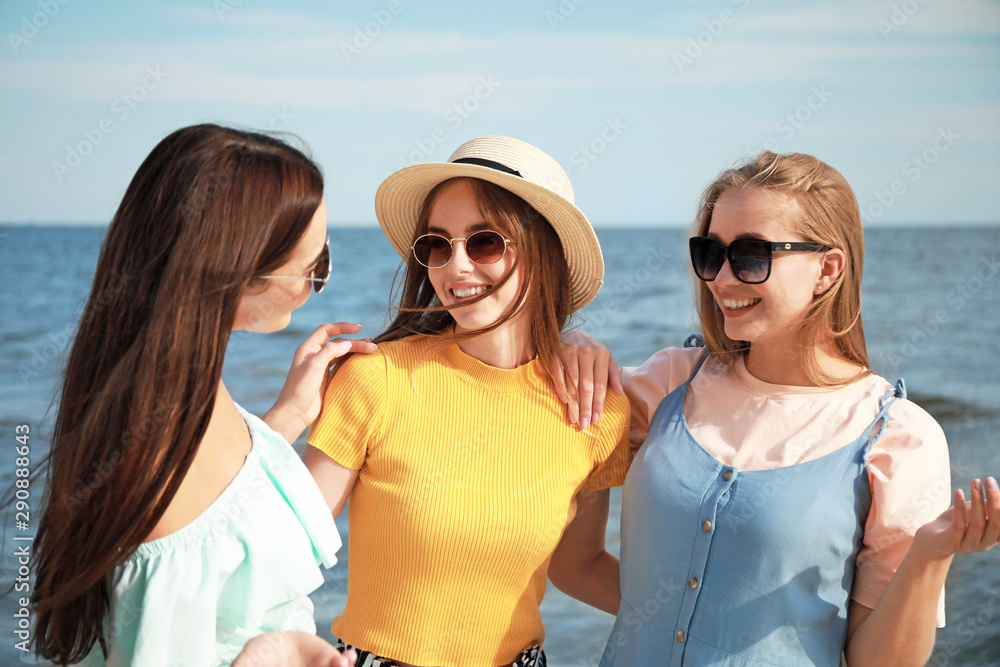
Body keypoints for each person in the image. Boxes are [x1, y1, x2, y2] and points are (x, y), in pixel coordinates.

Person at [557, 151, 999, 666]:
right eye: (711, 253)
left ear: (827, 269)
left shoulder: (898, 438)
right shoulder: (671, 382)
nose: (721, 278)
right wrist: (567, 343)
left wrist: (930, 555)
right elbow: (574, 562)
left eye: (750, 255)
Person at [32, 124, 373, 666]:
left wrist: (286, 416)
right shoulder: (162, 463)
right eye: (315, 269)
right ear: (242, 272)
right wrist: (275, 652)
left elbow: (223, 512)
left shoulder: (154, 399)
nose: (315, 287)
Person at [303, 136, 631, 666]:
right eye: (437, 244)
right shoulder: (376, 378)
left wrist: (717, 626)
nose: (454, 267)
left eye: (484, 242)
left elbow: (580, 566)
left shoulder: (596, 407)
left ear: (543, 253)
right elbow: (287, 546)